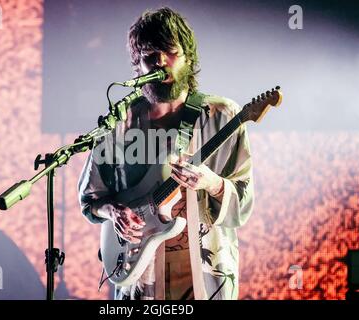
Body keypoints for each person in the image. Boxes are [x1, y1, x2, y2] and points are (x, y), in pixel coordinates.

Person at [78, 7, 254, 300]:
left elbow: (245, 202)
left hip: (207, 276)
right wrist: (114, 212)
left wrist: (211, 182)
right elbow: (90, 198)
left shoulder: (224, 117)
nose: (159, 62)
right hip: (138, 277)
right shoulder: (118, 124)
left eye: (169, 51)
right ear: (137, 66)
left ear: (188, 58)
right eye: (149, 56)